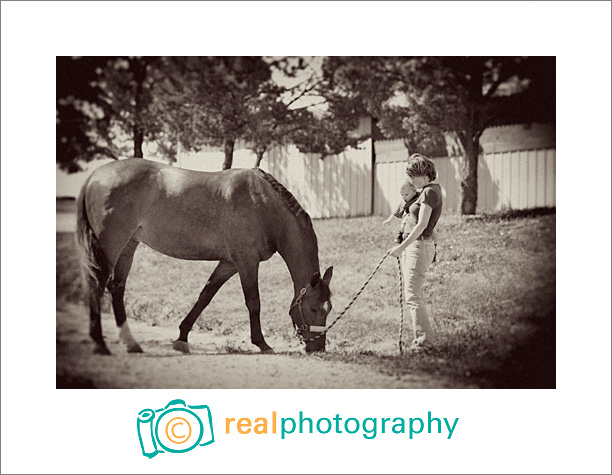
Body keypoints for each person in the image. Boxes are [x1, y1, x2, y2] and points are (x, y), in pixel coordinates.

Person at [389, 154, 443, 351]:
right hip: (417, 246)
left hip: (418, 246)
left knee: (412, 295)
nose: (411, 180)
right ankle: (422, 340)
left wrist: (401, 248)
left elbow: (422, 225)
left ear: (424, 174)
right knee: (413, 294)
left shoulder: (429, 192)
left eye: (413, 176)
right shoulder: (428, 190)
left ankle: (425, 343)